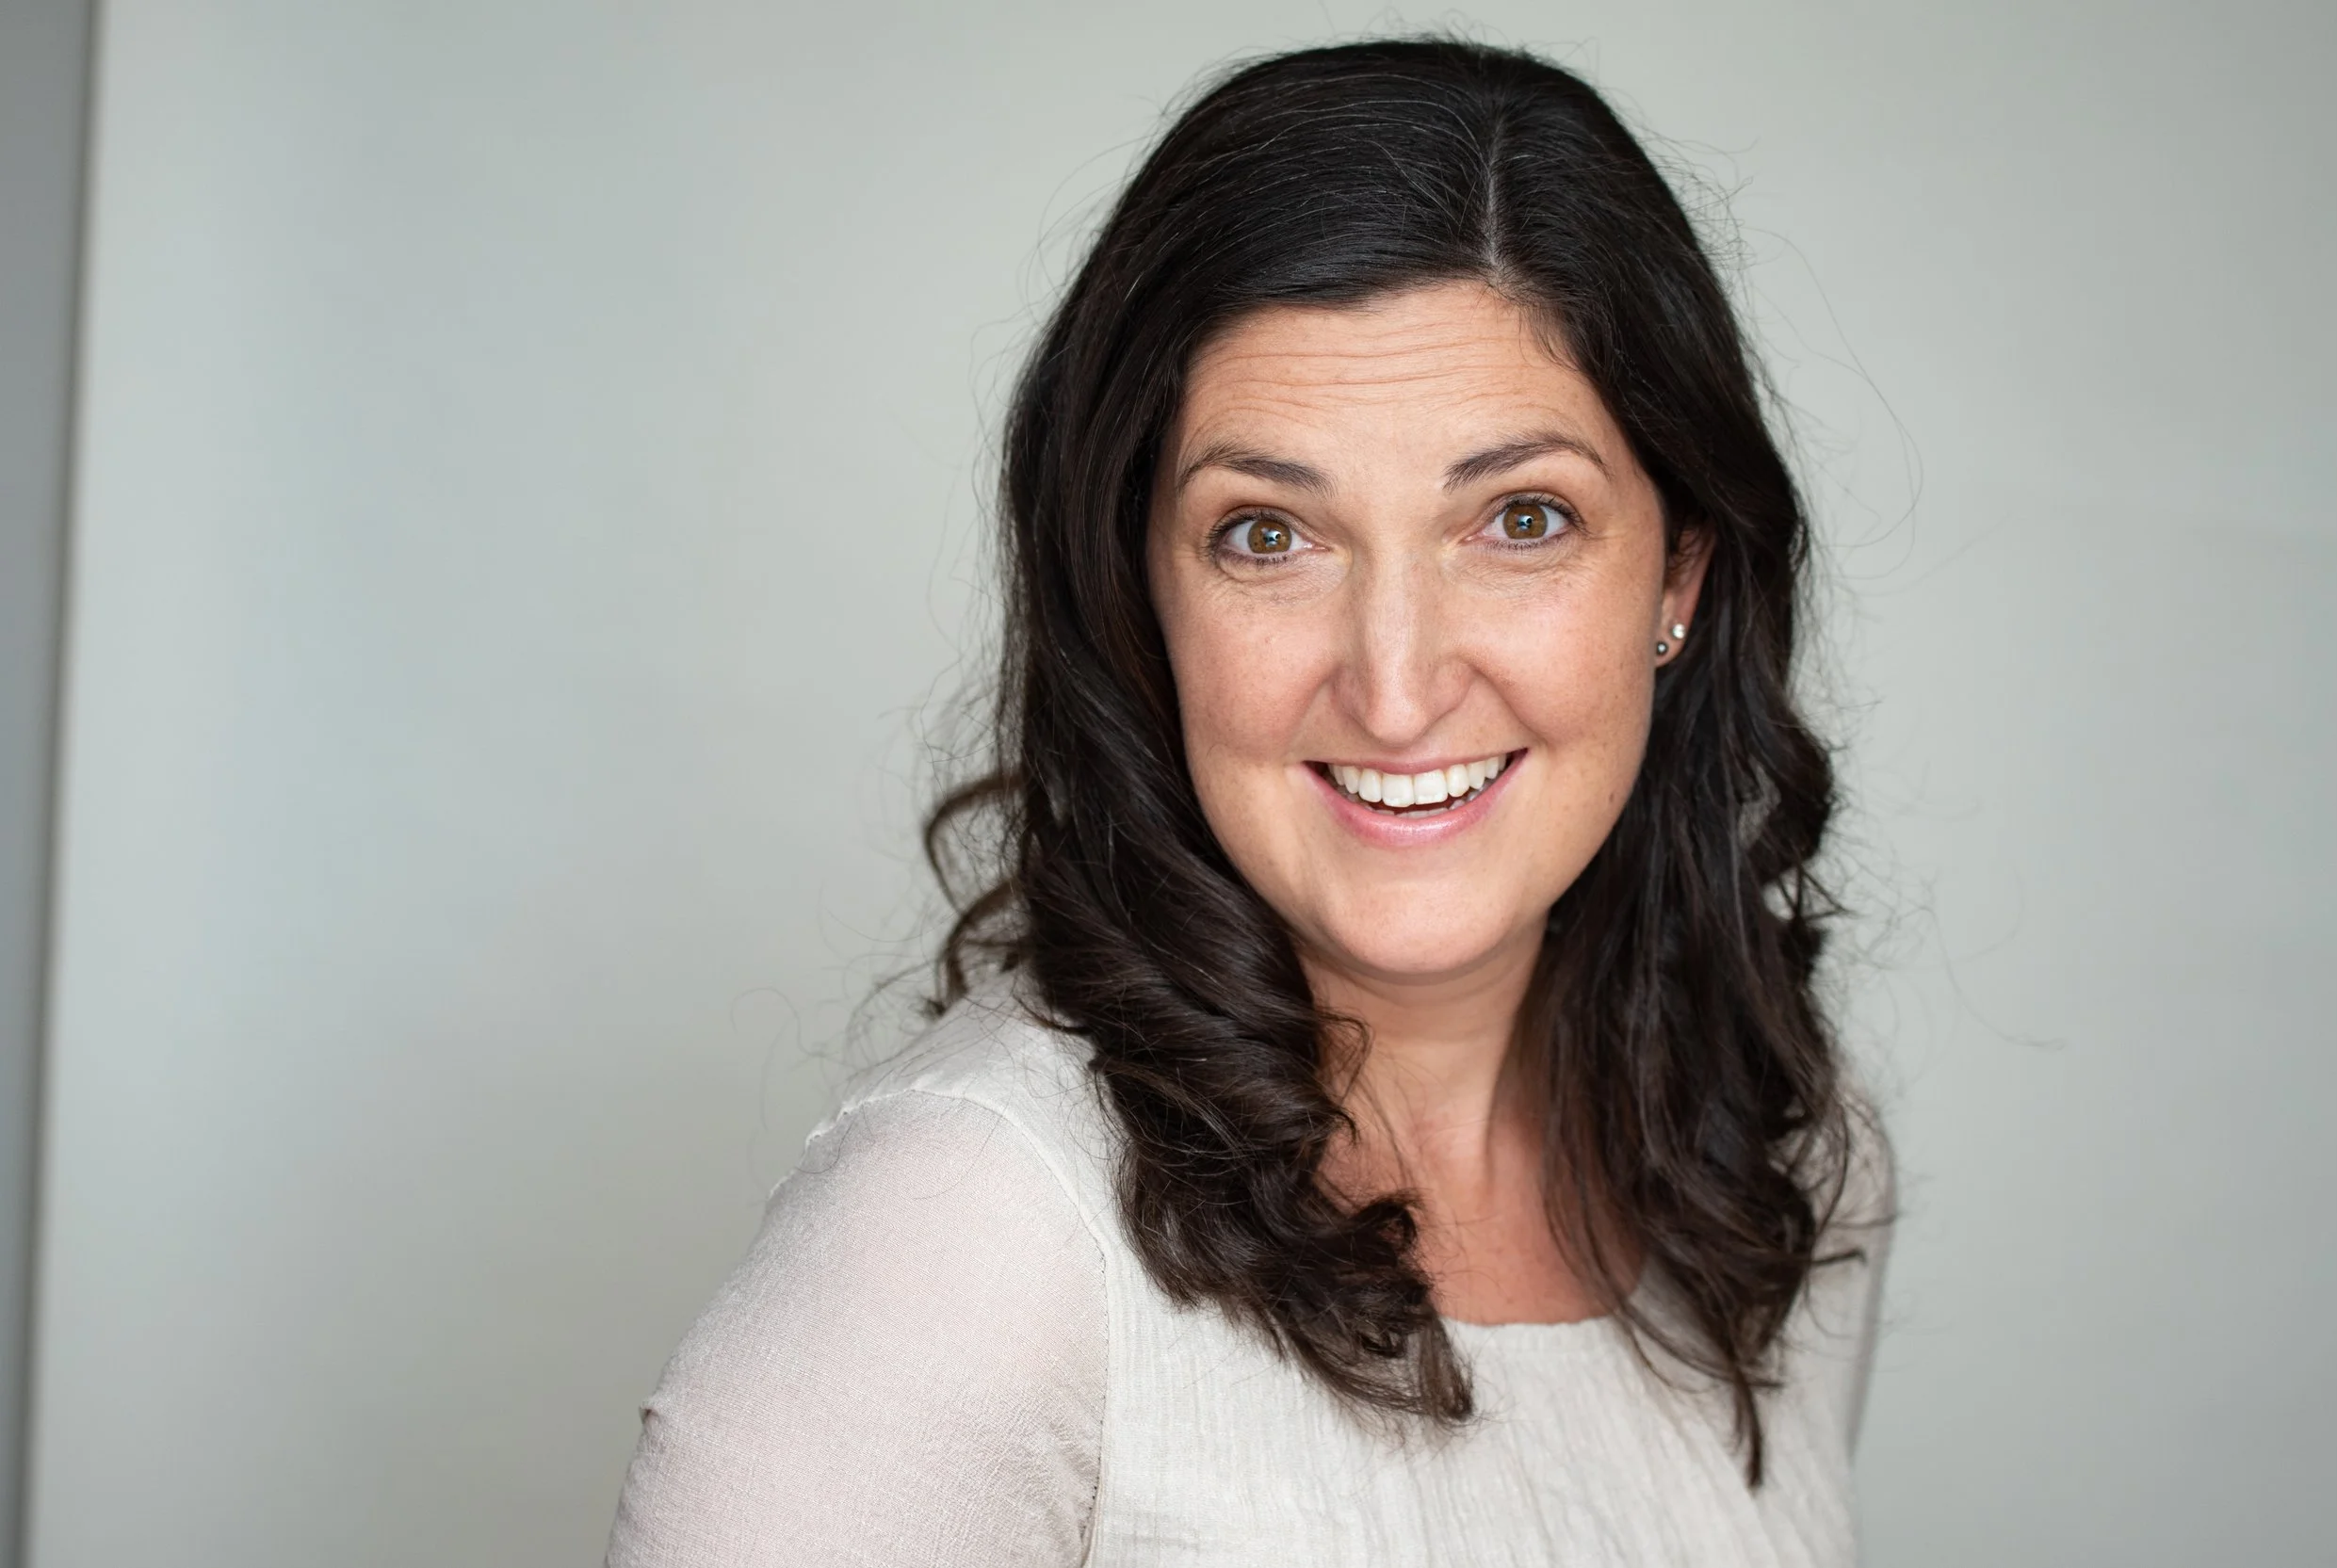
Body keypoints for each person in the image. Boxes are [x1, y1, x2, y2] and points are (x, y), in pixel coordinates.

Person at [607, 37, 1891, 1567]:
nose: (1397, 689)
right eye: (1268, 535)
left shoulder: (1776, 1175)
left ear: (1678, 576)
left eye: (1522, 519)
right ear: (1137, 591)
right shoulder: (965, 1244)